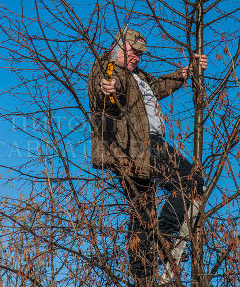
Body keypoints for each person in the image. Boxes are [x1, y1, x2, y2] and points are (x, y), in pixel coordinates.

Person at [88, 28, 207, 285]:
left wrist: (187, 72)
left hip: (136, 150)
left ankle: (143, 277)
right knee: (189, 178)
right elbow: (106, 89)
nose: (137, 58)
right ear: (119, 48)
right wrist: (106, 89)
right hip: (137, 146)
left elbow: (158, 86)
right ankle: (163, 235)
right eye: (134, 53)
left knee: (142, 212)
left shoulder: (138, 77)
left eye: (140, 54)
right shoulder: (108, 69)